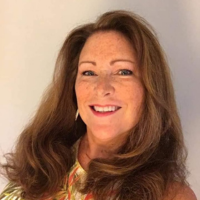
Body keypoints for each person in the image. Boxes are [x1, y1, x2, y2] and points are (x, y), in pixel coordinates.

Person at [0, 10, 197, 200]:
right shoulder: (41, 163)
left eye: (123, 71)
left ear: (150, 87)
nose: (102, 88)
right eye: (88, 72)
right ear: (72, 87)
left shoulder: (171, 195)